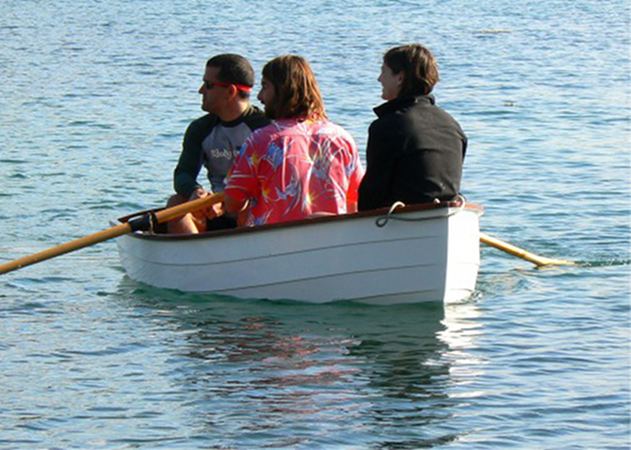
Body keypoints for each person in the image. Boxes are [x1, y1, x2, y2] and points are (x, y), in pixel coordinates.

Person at [223, 55, 363, 226]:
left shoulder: (262, 140)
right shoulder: (342, 138)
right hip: (333, 240)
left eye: (265, 87)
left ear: (283, 90)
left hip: (274, 242)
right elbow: (355, 198)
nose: (260, 97)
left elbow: (232, 203)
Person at [167, 54, 270, 233]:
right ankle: (196, 256)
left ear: (230, 91)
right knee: (175, 203)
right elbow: (183, 173)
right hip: (214, 210)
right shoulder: (200, 129)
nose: (201, 90)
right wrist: (195, 192)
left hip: (250, 211)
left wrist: (231, 201)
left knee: (246, 208)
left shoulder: (265, 129)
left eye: (208, 85)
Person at [358, 44, 467, 211]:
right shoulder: (452, 125)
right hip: (447, 214)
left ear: (400, 78)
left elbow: (372, 194)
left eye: (384, 71)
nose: (379, 79)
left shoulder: (388, 126)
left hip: (401, 222)